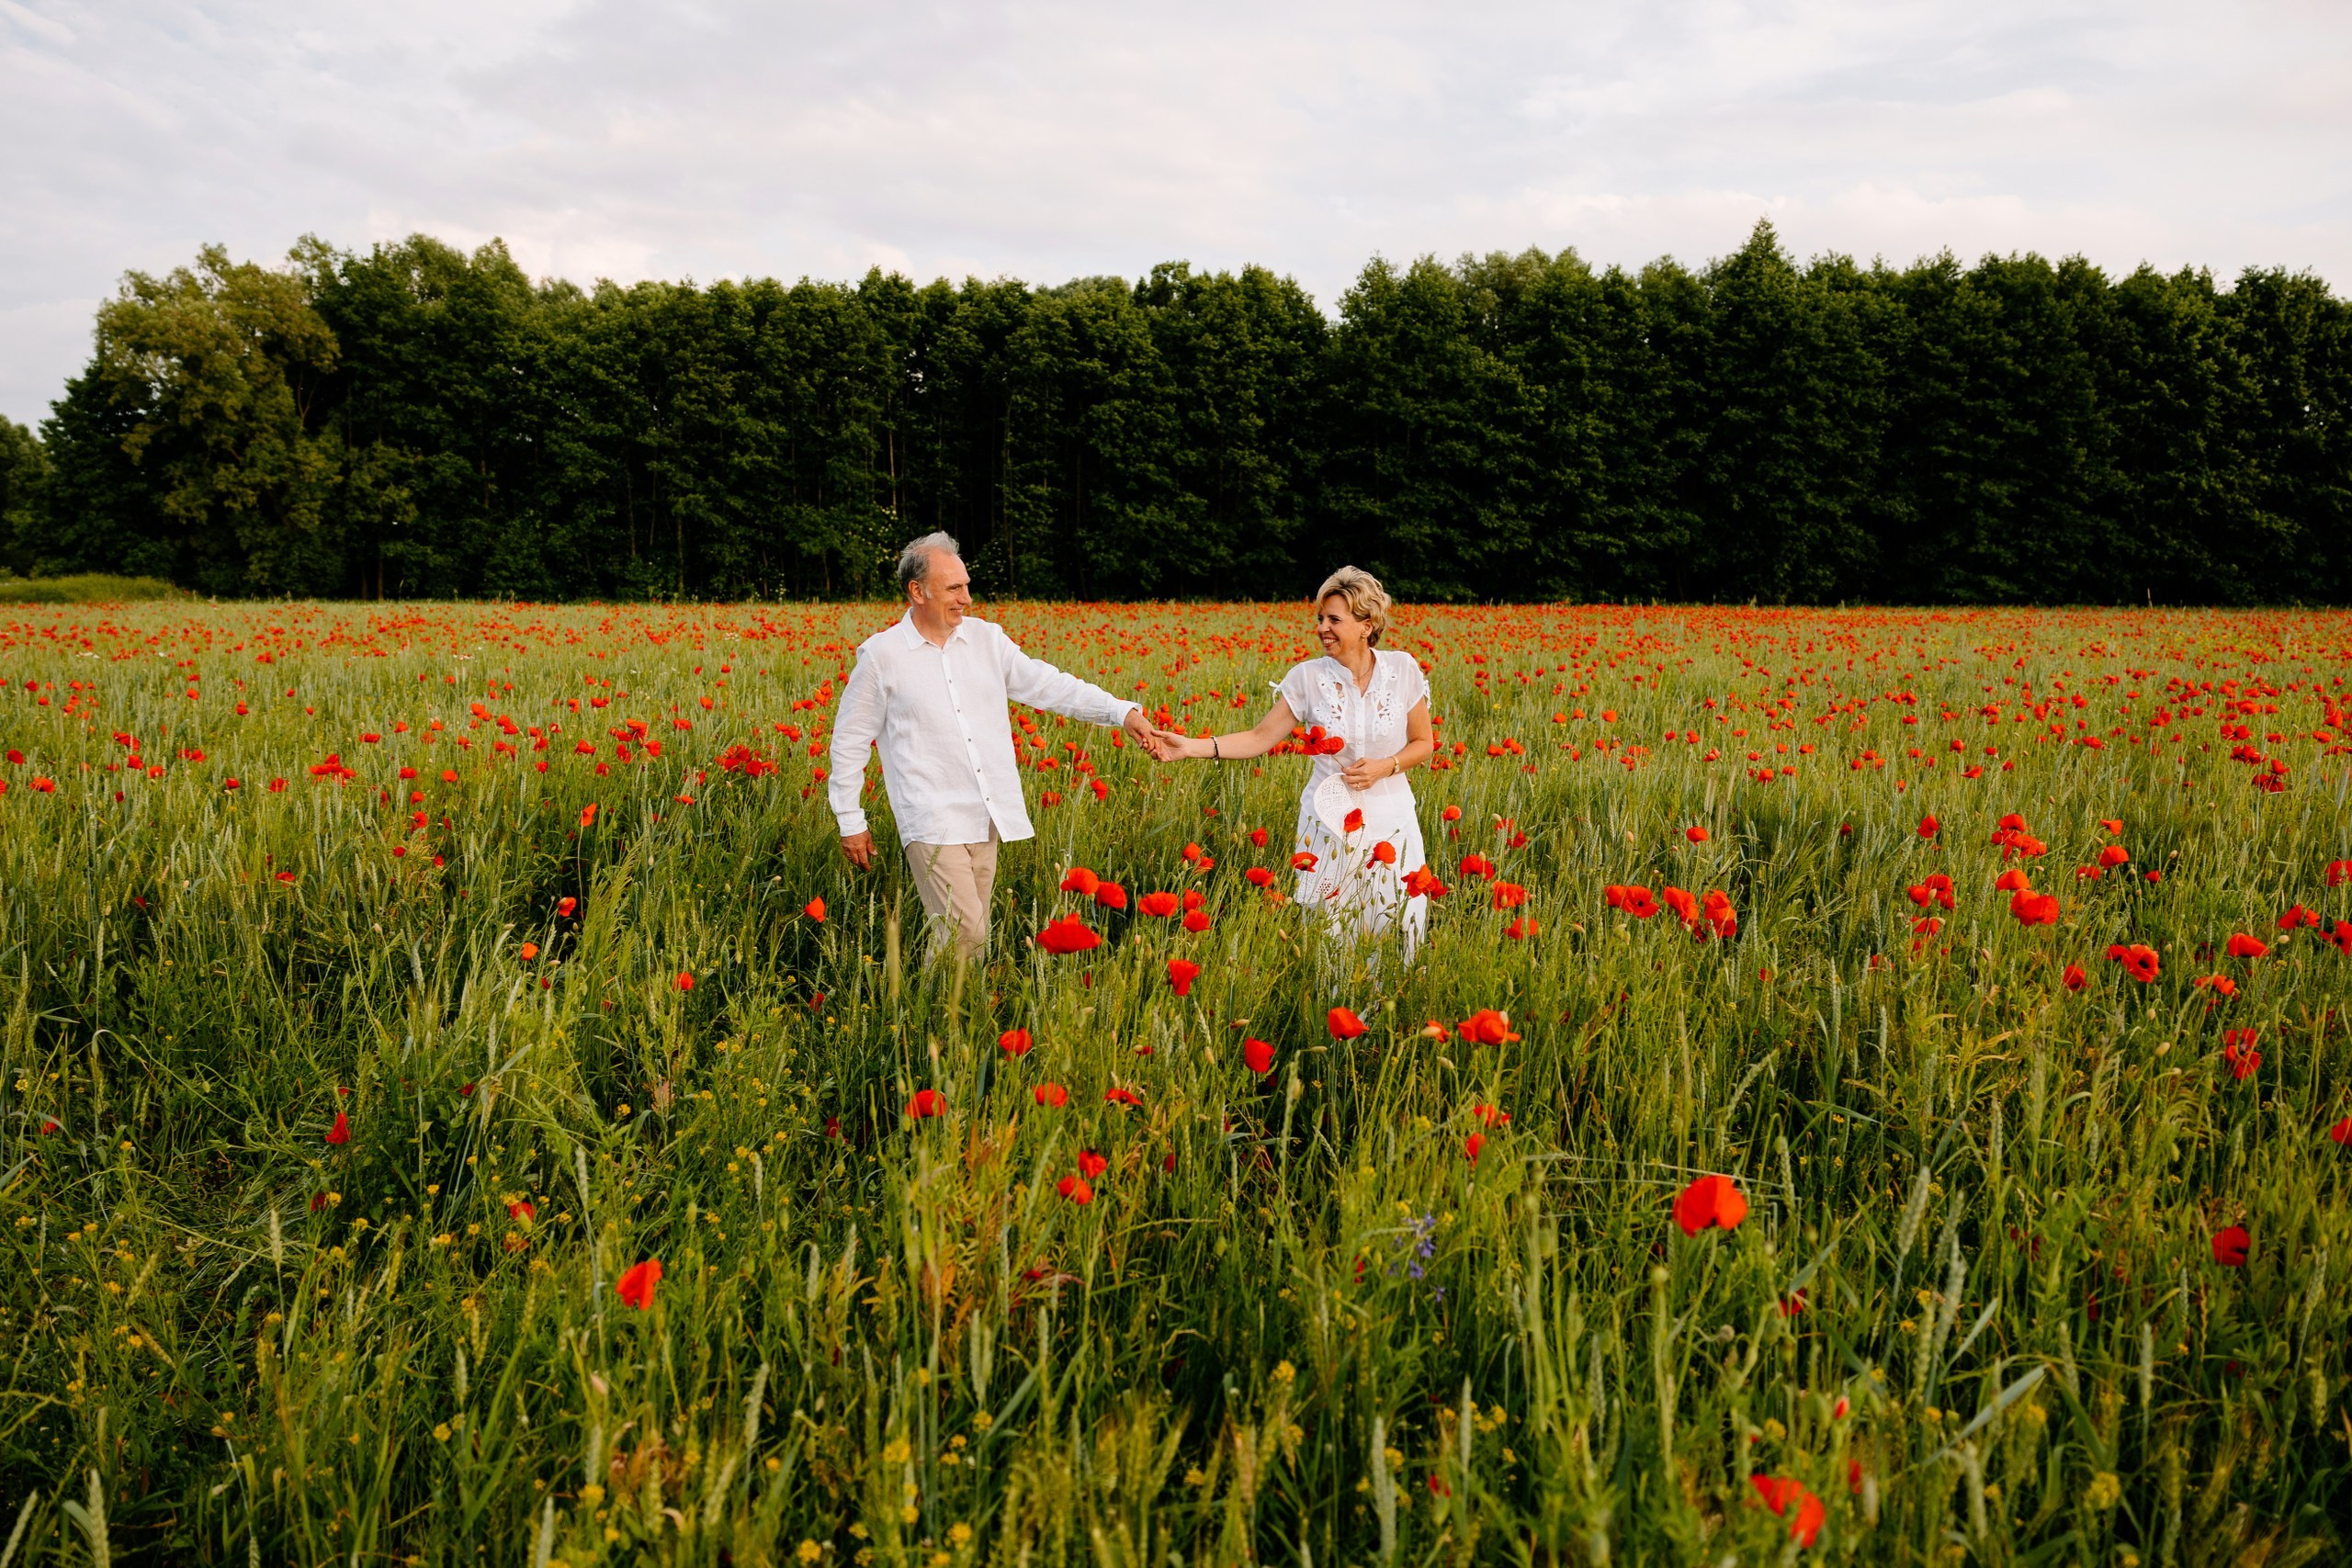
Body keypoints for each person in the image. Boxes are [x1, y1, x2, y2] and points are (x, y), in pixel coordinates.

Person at [831, 533, 1168, 963]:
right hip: (930, 818)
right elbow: (850, 742)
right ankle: (942, 1020)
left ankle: (938, 1020)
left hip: (986, 812)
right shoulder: (882, 657)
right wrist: (849, 819)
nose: (966, 598)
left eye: (966, 585)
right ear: (917, 591)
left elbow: (1051, 686)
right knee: (966, 934)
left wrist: (1122, 713)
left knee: (966, 937)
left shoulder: (987, 641)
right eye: (954, 588)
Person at [1154, 566, 1435, 949]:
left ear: (1366, 625)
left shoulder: (1402, 669)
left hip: (1393, 820)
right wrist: (1190, 746)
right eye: (1320, 619)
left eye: (1334, 619)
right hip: (1329, 821)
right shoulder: (1306, 677)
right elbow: (1259, 737)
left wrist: (1388, 766)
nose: (1322, 628)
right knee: (1331, 930)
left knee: (1398, 922)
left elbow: (1424, 742)